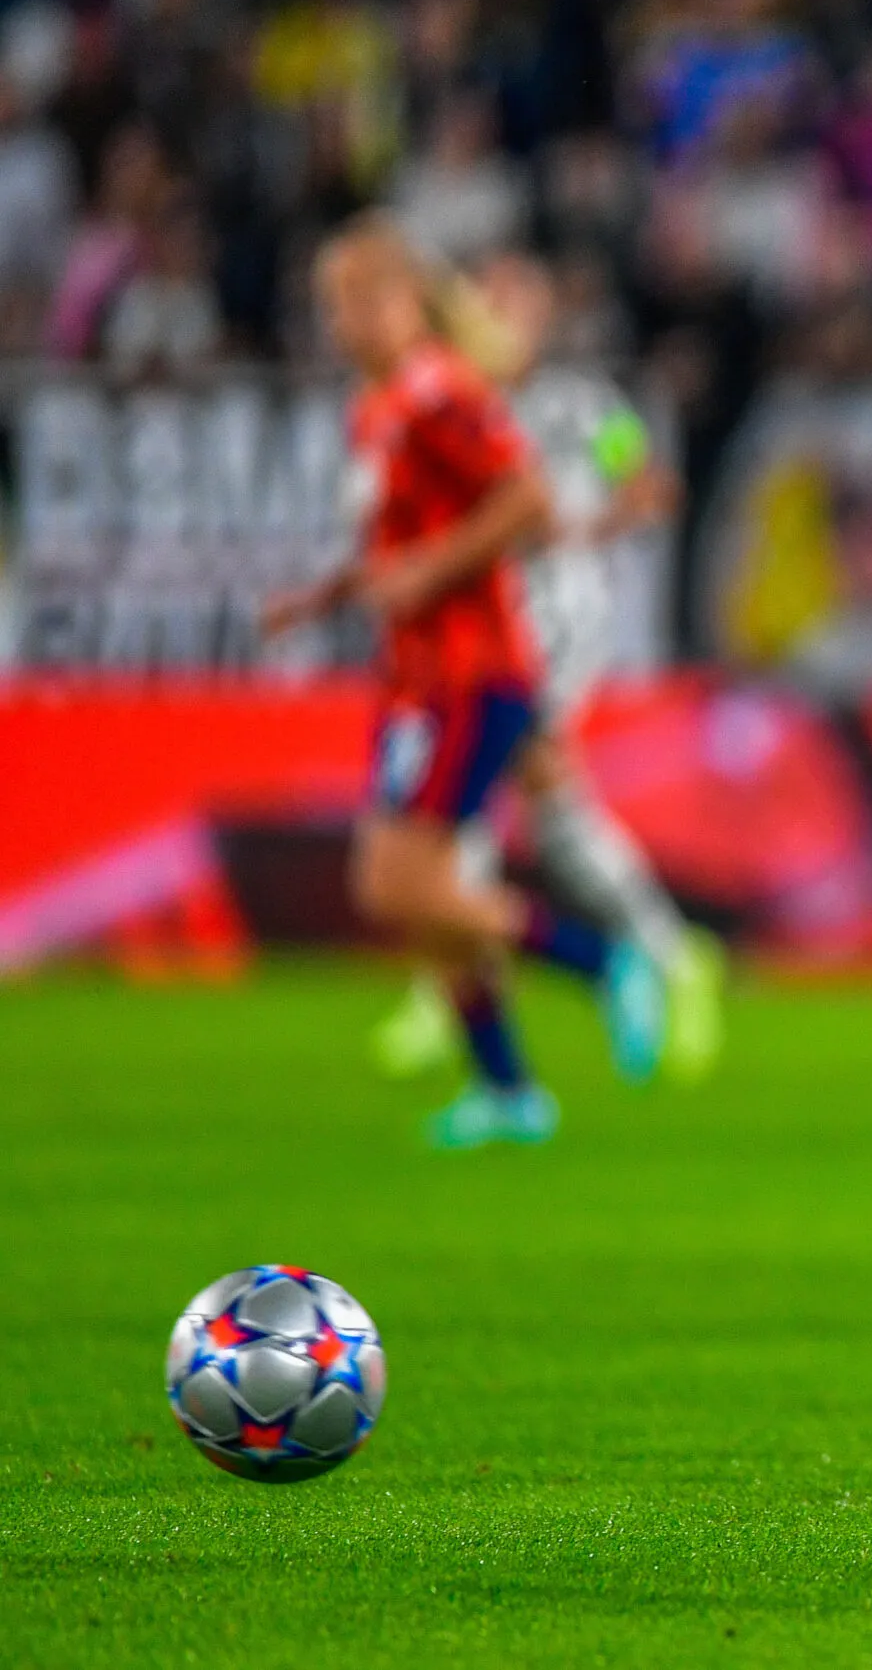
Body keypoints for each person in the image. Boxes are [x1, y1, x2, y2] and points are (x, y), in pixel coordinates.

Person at [263, 217, 667, 1149]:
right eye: (336, 305)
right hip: (414, 677)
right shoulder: (379, 407)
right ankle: (509, 1092)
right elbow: (395, 548)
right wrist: (326, 595)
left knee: (395, 886)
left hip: (470, 671)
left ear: (414, 302)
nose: (349, 320)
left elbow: (526, 498)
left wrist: (433, 568)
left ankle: (602, 959)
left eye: (367, 298)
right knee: (421, 893)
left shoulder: (442, 391)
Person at [370, 250, 727, 1088]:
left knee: (483, 802)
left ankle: (473, 989)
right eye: (482, 303)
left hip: (555, 620)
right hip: (487, 619)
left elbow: (648, 484)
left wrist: (585, 526)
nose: (494, 319)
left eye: (511, 304)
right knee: (544, 811)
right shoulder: (461, 403)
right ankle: (662, 959)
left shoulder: (577, 402)